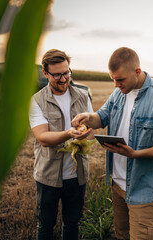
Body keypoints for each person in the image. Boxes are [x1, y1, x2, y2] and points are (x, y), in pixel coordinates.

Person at [72, 47, 153, 240]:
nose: (116, 85)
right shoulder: (119, 93)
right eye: (113, 79)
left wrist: (134, 154)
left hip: (143, 191)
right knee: (121, 235)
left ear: (137, 71)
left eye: (120, 79)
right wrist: (87, 117)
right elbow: (100, 118)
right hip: (117, 186)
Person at [29, 49, 94, 240]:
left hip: (77, 174)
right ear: (45, 73)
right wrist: (68, 134)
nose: (64, 79)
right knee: (46, 226)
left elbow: (91, 132)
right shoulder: (37, 101)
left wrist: (86, 134)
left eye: (66, 73)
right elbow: (42, 137)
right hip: (48, 175)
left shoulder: (83, 95)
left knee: (72, 224)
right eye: (57, 75)